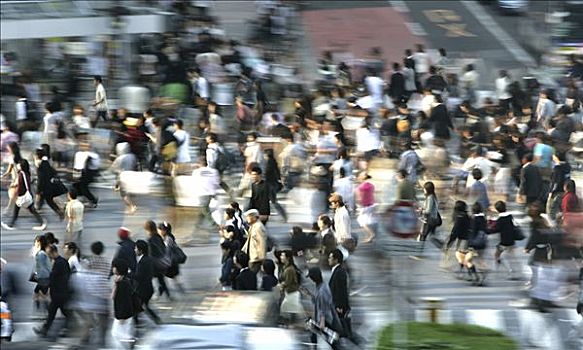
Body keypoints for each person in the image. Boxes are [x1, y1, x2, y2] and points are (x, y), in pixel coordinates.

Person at [34, 245, 71, 337]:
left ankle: (67, 329)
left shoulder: (58, 263)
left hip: (59, 293)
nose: (48, 256)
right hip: (61, 292)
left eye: (49, 254)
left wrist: (41, 286)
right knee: (53, 312)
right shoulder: (63, 262)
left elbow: (52, 278)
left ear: (53, 252)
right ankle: (45, 331)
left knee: (62, 313)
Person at [305, 267, 343, 349]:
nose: (311, 279)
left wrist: (322, 322)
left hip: (326, 319)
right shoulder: (322, 286)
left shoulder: (322, 290)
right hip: (324, 318)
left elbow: (323, 307)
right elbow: (319, 302)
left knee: (333, 342)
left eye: (311, 277)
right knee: (318, 337)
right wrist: (310, 295)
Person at [1, 159, 46, 231]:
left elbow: (26, 183)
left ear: (22, 165)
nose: (17, 165)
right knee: (31, 210)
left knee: (20, 211)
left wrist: (28, 191)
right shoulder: (23, 173)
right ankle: (42, 223)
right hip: (23, 196)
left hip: (23, 196)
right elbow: (21, 183)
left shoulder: (22, 173)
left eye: (19, 164)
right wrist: (14, 186)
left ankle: (11, 224)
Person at [81, 241, 110, 347]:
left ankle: (86, 338)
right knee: (103, 319)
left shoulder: (89, 261)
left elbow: (84, 275)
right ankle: (102, 339)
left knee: (89, 318)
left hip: (91, 294)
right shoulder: (106, 262)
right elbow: (107, 275)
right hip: (103, 293)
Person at [133, 240, 161, 329]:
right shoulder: (148, 259)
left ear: (140, 250)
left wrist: (129, 273)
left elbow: (138, 276)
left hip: (143, 289)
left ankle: (137, 325)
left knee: (136, 307)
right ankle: (156, 319)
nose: (134, 250)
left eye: (136, 248)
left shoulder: (143, 262)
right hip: (148, 288)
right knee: (142, 306)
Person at [110, 258, 136, 349]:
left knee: (117, 335)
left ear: (118, 269)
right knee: (119, 336)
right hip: (123, 315)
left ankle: (131, 341)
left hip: (123, 315)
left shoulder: (123, 283)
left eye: (114, 267)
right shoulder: (120, 281)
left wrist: (122, 316)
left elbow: (124, 300)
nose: (112, 268)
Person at [34, 148, 64, 220]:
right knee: (49, 201)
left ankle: (38, 217)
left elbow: (40, 179)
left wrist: (38, 191)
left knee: (47, 200)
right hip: (48, 185)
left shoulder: (40, 166)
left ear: (37, 156)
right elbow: (53, 172)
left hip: (44, 187)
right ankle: (59, 212)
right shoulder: (45, 162)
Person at [328, 248, 352, 340]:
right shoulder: (336, 271)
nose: (328, 259)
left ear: (336, 260)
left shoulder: (340, 272)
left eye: (330, 258)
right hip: (336, 305)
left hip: (339, 307)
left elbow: (341, 290)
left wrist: (340, 306)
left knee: (341, 329)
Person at [489, 201, 518, 279]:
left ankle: (502, 270)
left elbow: (496, 229)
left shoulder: (500, 219)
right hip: (511, 240)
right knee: (511, 256)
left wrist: (487, 231)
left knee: (497, 255)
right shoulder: (510, 216)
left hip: (504, 242)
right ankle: (513, 271)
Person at [145, 220, 170, 300]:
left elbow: (150, 252)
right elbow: (163, 248)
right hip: (161, 262)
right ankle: (167, 295)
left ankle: (155, 294)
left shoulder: (150, 239)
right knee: (161, 279)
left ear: (148, 229)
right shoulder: (158, 236)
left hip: (154, 263)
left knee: (148, 279)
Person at [158, 222, 185, 293]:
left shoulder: (168, 239)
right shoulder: (168, 238)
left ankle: (161, 294)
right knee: (173, 277)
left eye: (160, 229)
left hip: (169, 263)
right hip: (171, 263)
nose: (159, 231)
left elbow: (167, 250)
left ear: (165, 231)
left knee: (162, 277)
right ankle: (180, 289)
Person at [465, 203, 488, 286]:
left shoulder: (474, 220)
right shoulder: (483, 219)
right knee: (477, 258)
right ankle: (480, 274)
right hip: (483, 242)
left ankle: (479, 275)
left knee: (469, 260)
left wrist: (469, 244)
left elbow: (472, 232)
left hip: (475, 244)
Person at [278, 250, 303, 323]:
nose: (281, 257)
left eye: (283, 256)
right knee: (291, 314)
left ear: (287, 258)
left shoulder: (289, 269)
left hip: (291, 294)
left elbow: (287, 282)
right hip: (290, 294)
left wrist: (281, 285)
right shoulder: (286, 267)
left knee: (287, 312)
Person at [72, 142, 100, 208]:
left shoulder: (93, 155)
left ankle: (93, 200)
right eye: (81, 145)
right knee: (77, 186)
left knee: (83, 187)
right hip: (78, 172)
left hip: (87, 173)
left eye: (85, 146)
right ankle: (86, 199)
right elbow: (76, 163)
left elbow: (96, 165)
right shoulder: (78, 153)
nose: (82, 147)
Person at [264, 149, 288, 222]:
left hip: (270, 185)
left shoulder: (269, 163)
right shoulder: (273, 162)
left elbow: (267, 174)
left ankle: (284, 216)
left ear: (266, 155)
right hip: (273, 184)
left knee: (273, 201)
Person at [448, 201, 471, 278]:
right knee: (463, 256)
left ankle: (465, 273)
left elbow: (455, 230)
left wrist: (451, 241)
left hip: (462, 240)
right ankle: (464, 273)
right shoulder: (467, 216)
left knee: (460, 255)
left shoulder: (459, 217)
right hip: (468, 239)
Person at [241, 209, 267, 274]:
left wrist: (262, 259)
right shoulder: (253, 226)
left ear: (253, 217)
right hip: (252, 256)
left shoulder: (258, 227)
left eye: (248, 216)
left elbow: (262, 243)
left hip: (256, 258)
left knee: (252, 275)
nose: (247, 218)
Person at [30, 235, 51, 315]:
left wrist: (37, 275)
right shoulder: (43, 252)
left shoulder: (41, 254)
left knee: (43, 295)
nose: (35, 243)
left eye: (36, 242)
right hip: (44, 277)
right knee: (39, 293)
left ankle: (47, 311)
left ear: (39, 242)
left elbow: (41, 267)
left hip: (43, 277)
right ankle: (44, 310)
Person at [355, 172, 377, 243]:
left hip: (365, 206)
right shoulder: (371, 185)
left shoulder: (360, 187)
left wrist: (358, 205)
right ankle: (369, 236)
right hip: (372, 204)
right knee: (369, 220)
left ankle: (371, 234)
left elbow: (359, 198)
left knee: (361, 221)